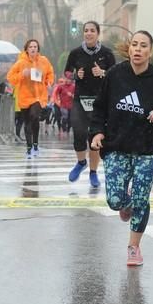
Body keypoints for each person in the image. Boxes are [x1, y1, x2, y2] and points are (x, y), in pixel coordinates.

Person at [89, 30, 153, 266]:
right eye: (134, 45)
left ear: (150, 52)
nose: (138, 49)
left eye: (143, 46)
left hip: (149, 149)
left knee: (141, 196)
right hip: (117, 146)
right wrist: (98, 131)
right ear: (129, 49)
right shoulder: (114, 75)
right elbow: (99, 108)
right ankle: (125, 204)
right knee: (115, 200)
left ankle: (133, 247)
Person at [65, 21, 116, 188]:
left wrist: (103, 73)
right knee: (79, 132)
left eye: (92, 31)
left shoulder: (107, 54)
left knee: (94, 137)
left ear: (98, 33)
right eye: (86, 31)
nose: (88, 33)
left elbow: (116, 75)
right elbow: (66, 72)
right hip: (80, 99)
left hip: (99, 102)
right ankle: (81, 163)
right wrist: (75, 75)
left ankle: (93, 173)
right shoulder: (75, 53)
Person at [7, 39, 54, 159]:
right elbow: (10, 77)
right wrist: (22, 74)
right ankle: (29, 149)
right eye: (31, 47)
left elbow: (50, 73)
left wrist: (49, 82)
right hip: (25, 97)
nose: (33, 48)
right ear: (26, 49)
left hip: (39, 97)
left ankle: (36, 145)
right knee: (28, 122)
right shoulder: (21, 63)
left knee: (34, 116)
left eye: (35, 46)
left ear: (38, 49)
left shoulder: (44, 61)